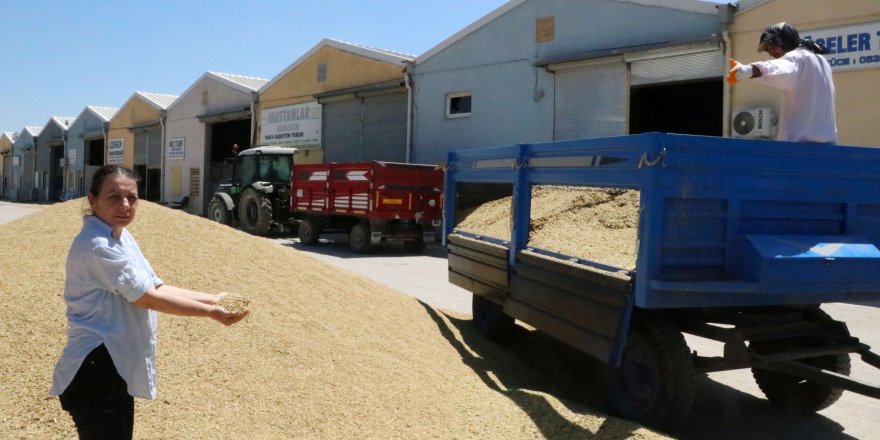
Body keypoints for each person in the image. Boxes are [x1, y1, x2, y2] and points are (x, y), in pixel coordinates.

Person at [49, 165, 249, 439]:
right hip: (95, 366)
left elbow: (156, 285)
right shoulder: (97, 245)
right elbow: (147, 298)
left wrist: (212, 298)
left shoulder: (120, 236)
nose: (125, 205)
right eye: (114, 197)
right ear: (92, 200)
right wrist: (211, 312)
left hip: (112, 363)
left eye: (131, 198)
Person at [726, 22, 837, 144]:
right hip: (828, 149)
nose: (770, 53)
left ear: (784, 41)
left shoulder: (797, 59)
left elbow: (779, 68)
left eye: (771, 46)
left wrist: (748, 70)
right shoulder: (822, 62)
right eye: (767, 50)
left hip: (798, 149)